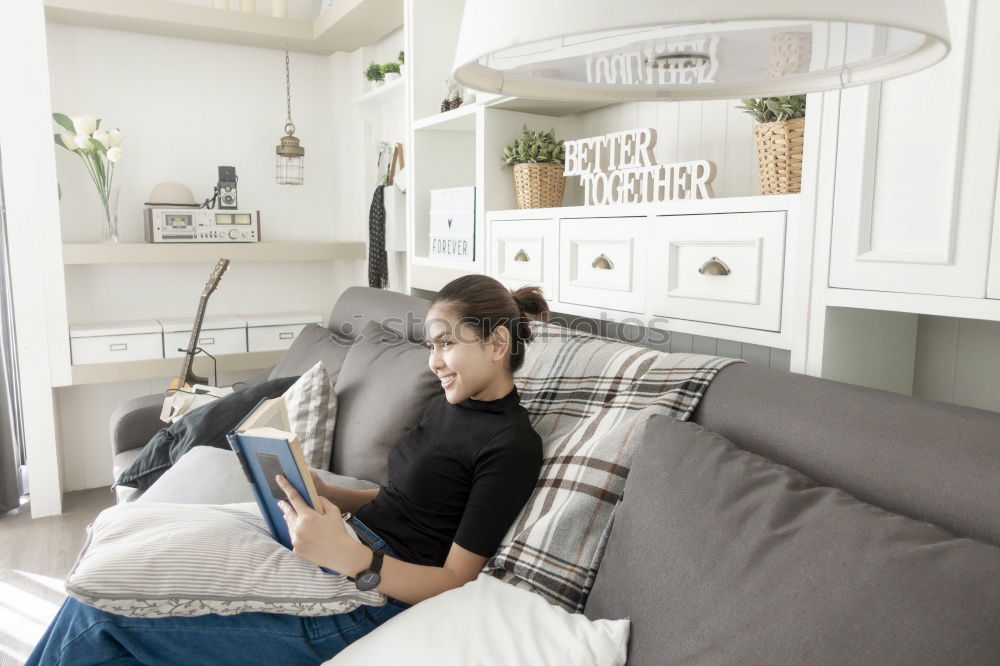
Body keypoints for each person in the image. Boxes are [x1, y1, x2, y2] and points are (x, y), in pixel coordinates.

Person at [26, 275, 549, 665]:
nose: (434, 361)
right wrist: (326, 492)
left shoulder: (510, 446)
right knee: (123, 548)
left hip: (368, 594)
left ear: (498, 344)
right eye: (431, 345)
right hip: (342, 542)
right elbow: (405, 506)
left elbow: (457, 581)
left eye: (447, 343)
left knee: (101, 611)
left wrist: (357, 561)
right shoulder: (449, 405)